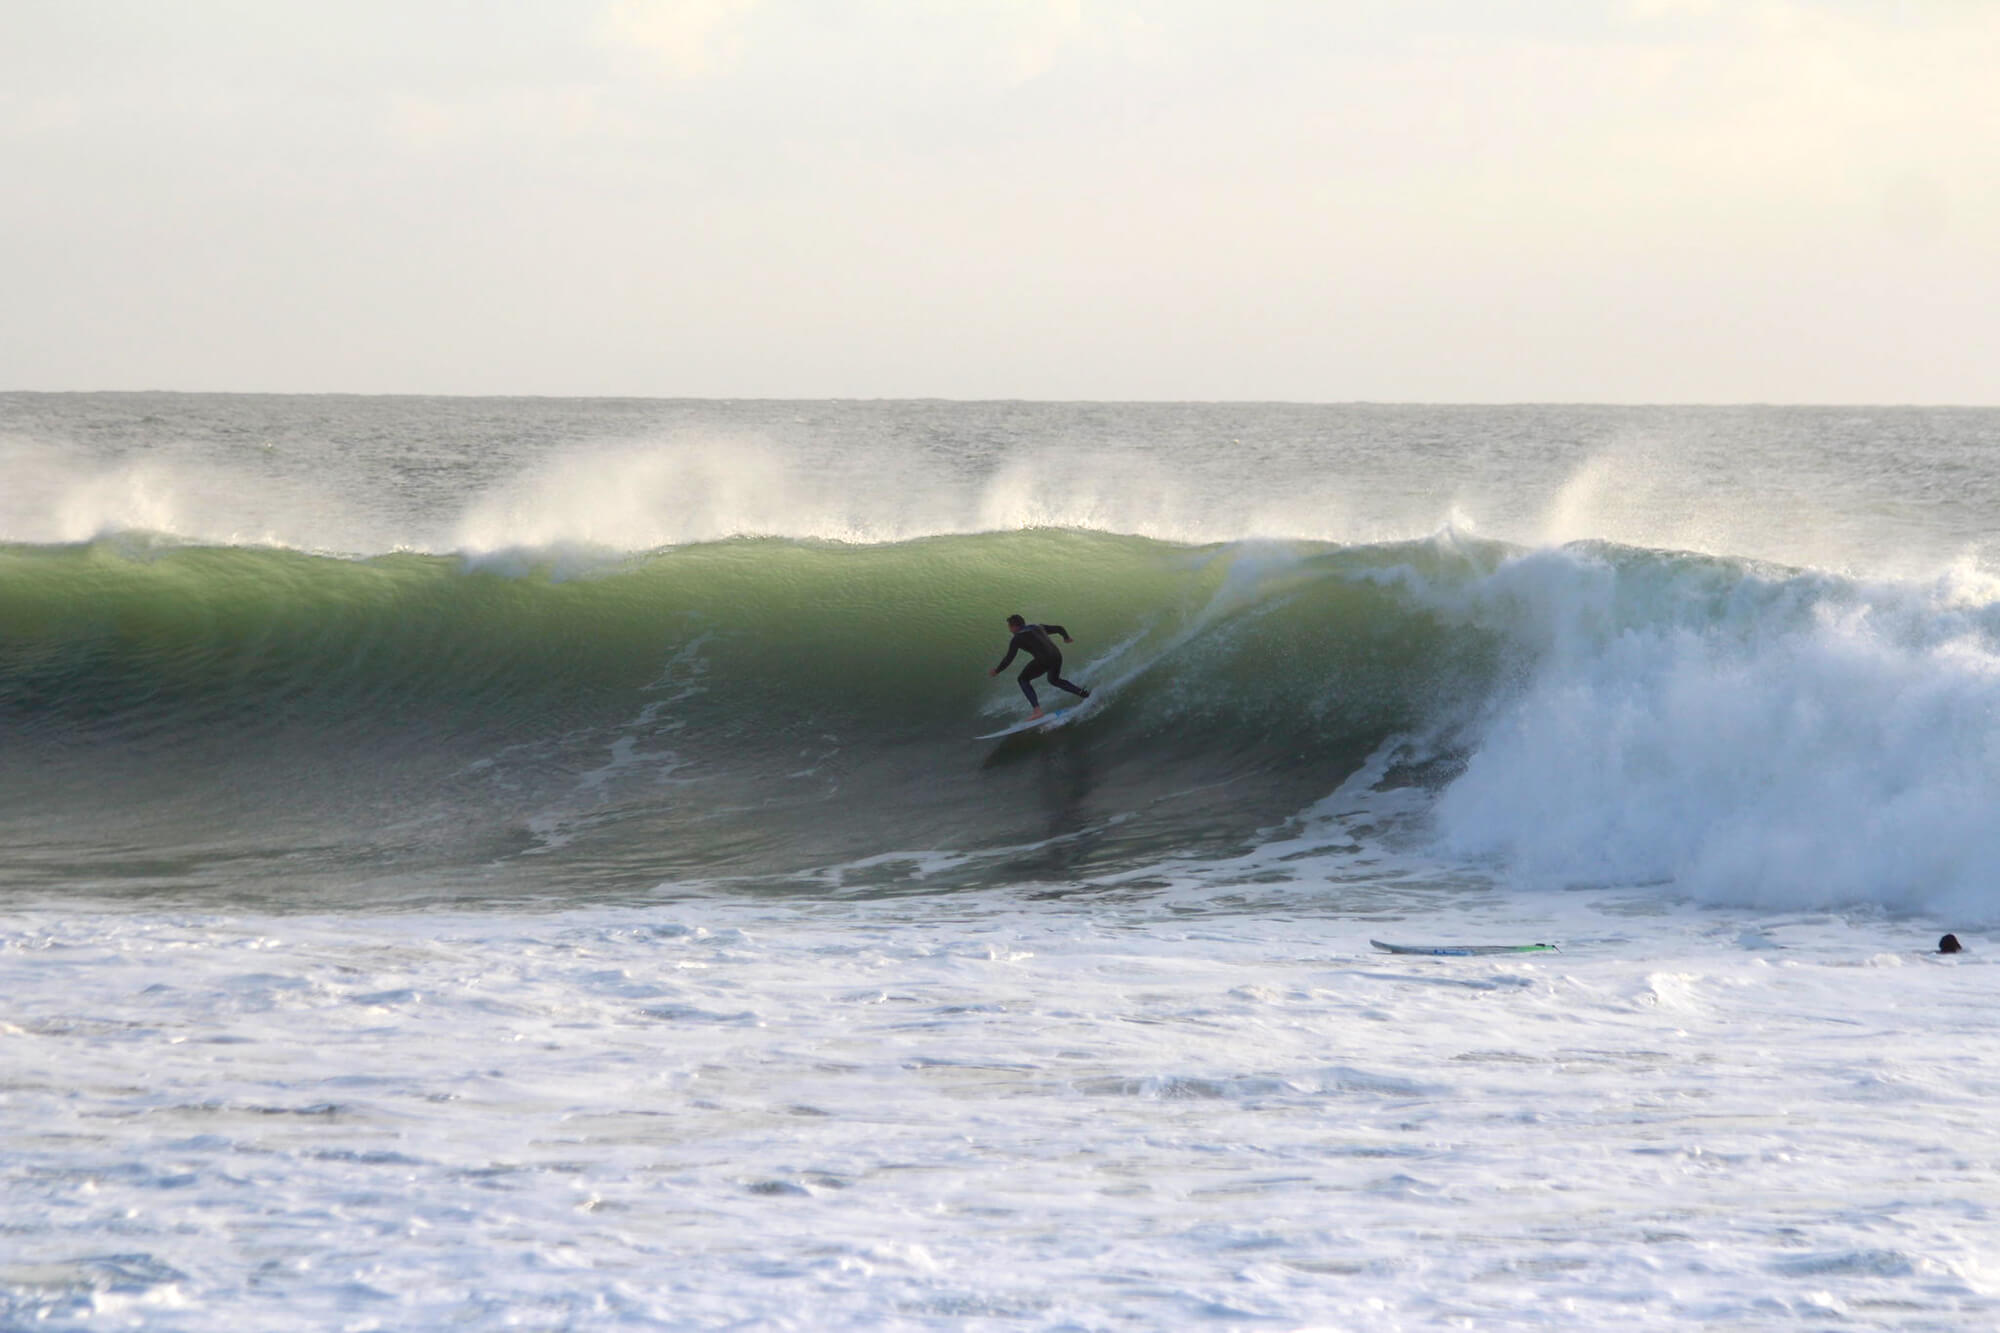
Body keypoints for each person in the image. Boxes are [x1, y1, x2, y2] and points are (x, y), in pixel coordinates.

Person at [989, 613, 1090, 719]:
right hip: (1057, 656)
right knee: (1054, 680)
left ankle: (1037, 711)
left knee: (1022, 679)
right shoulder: (1038, 627)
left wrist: (997, 670)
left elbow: (1009, 658)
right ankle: (1084, 694)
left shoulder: (1017, 638)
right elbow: (1059, 628)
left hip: (1044, 660)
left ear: (1014, 627)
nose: (1010, 630)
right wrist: (1066, 638)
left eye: (1009, 627)